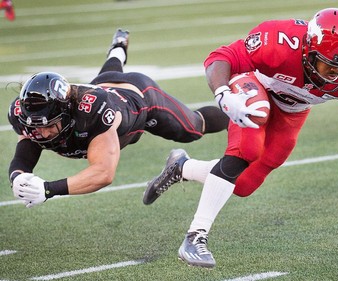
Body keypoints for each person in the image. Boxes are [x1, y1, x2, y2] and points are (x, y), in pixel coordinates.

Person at [143, 8, 338, 268]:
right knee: (249, 143)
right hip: (256, 84)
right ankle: (195, 237)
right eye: (327, 65)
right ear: (308, 50)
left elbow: (332, 79)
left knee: (243, 184)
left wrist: (331, 71)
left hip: (293, 110)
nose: (334, 74)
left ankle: (182, 167)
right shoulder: (280, 42)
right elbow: (220, 57)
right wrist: (223, 93)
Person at [8, 28, 229, 208]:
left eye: (50, 125)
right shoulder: (25, 114)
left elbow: (103, 173)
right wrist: (18, 177)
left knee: (194, 127)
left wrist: (48, 189)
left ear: (66, 113)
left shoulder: (93, 113)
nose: (43, 133)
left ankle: (236, 113)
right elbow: (23, 157)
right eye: (36, 126)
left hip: (141, 98)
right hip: (102, 82)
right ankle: (118, 47)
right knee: (110, 70)